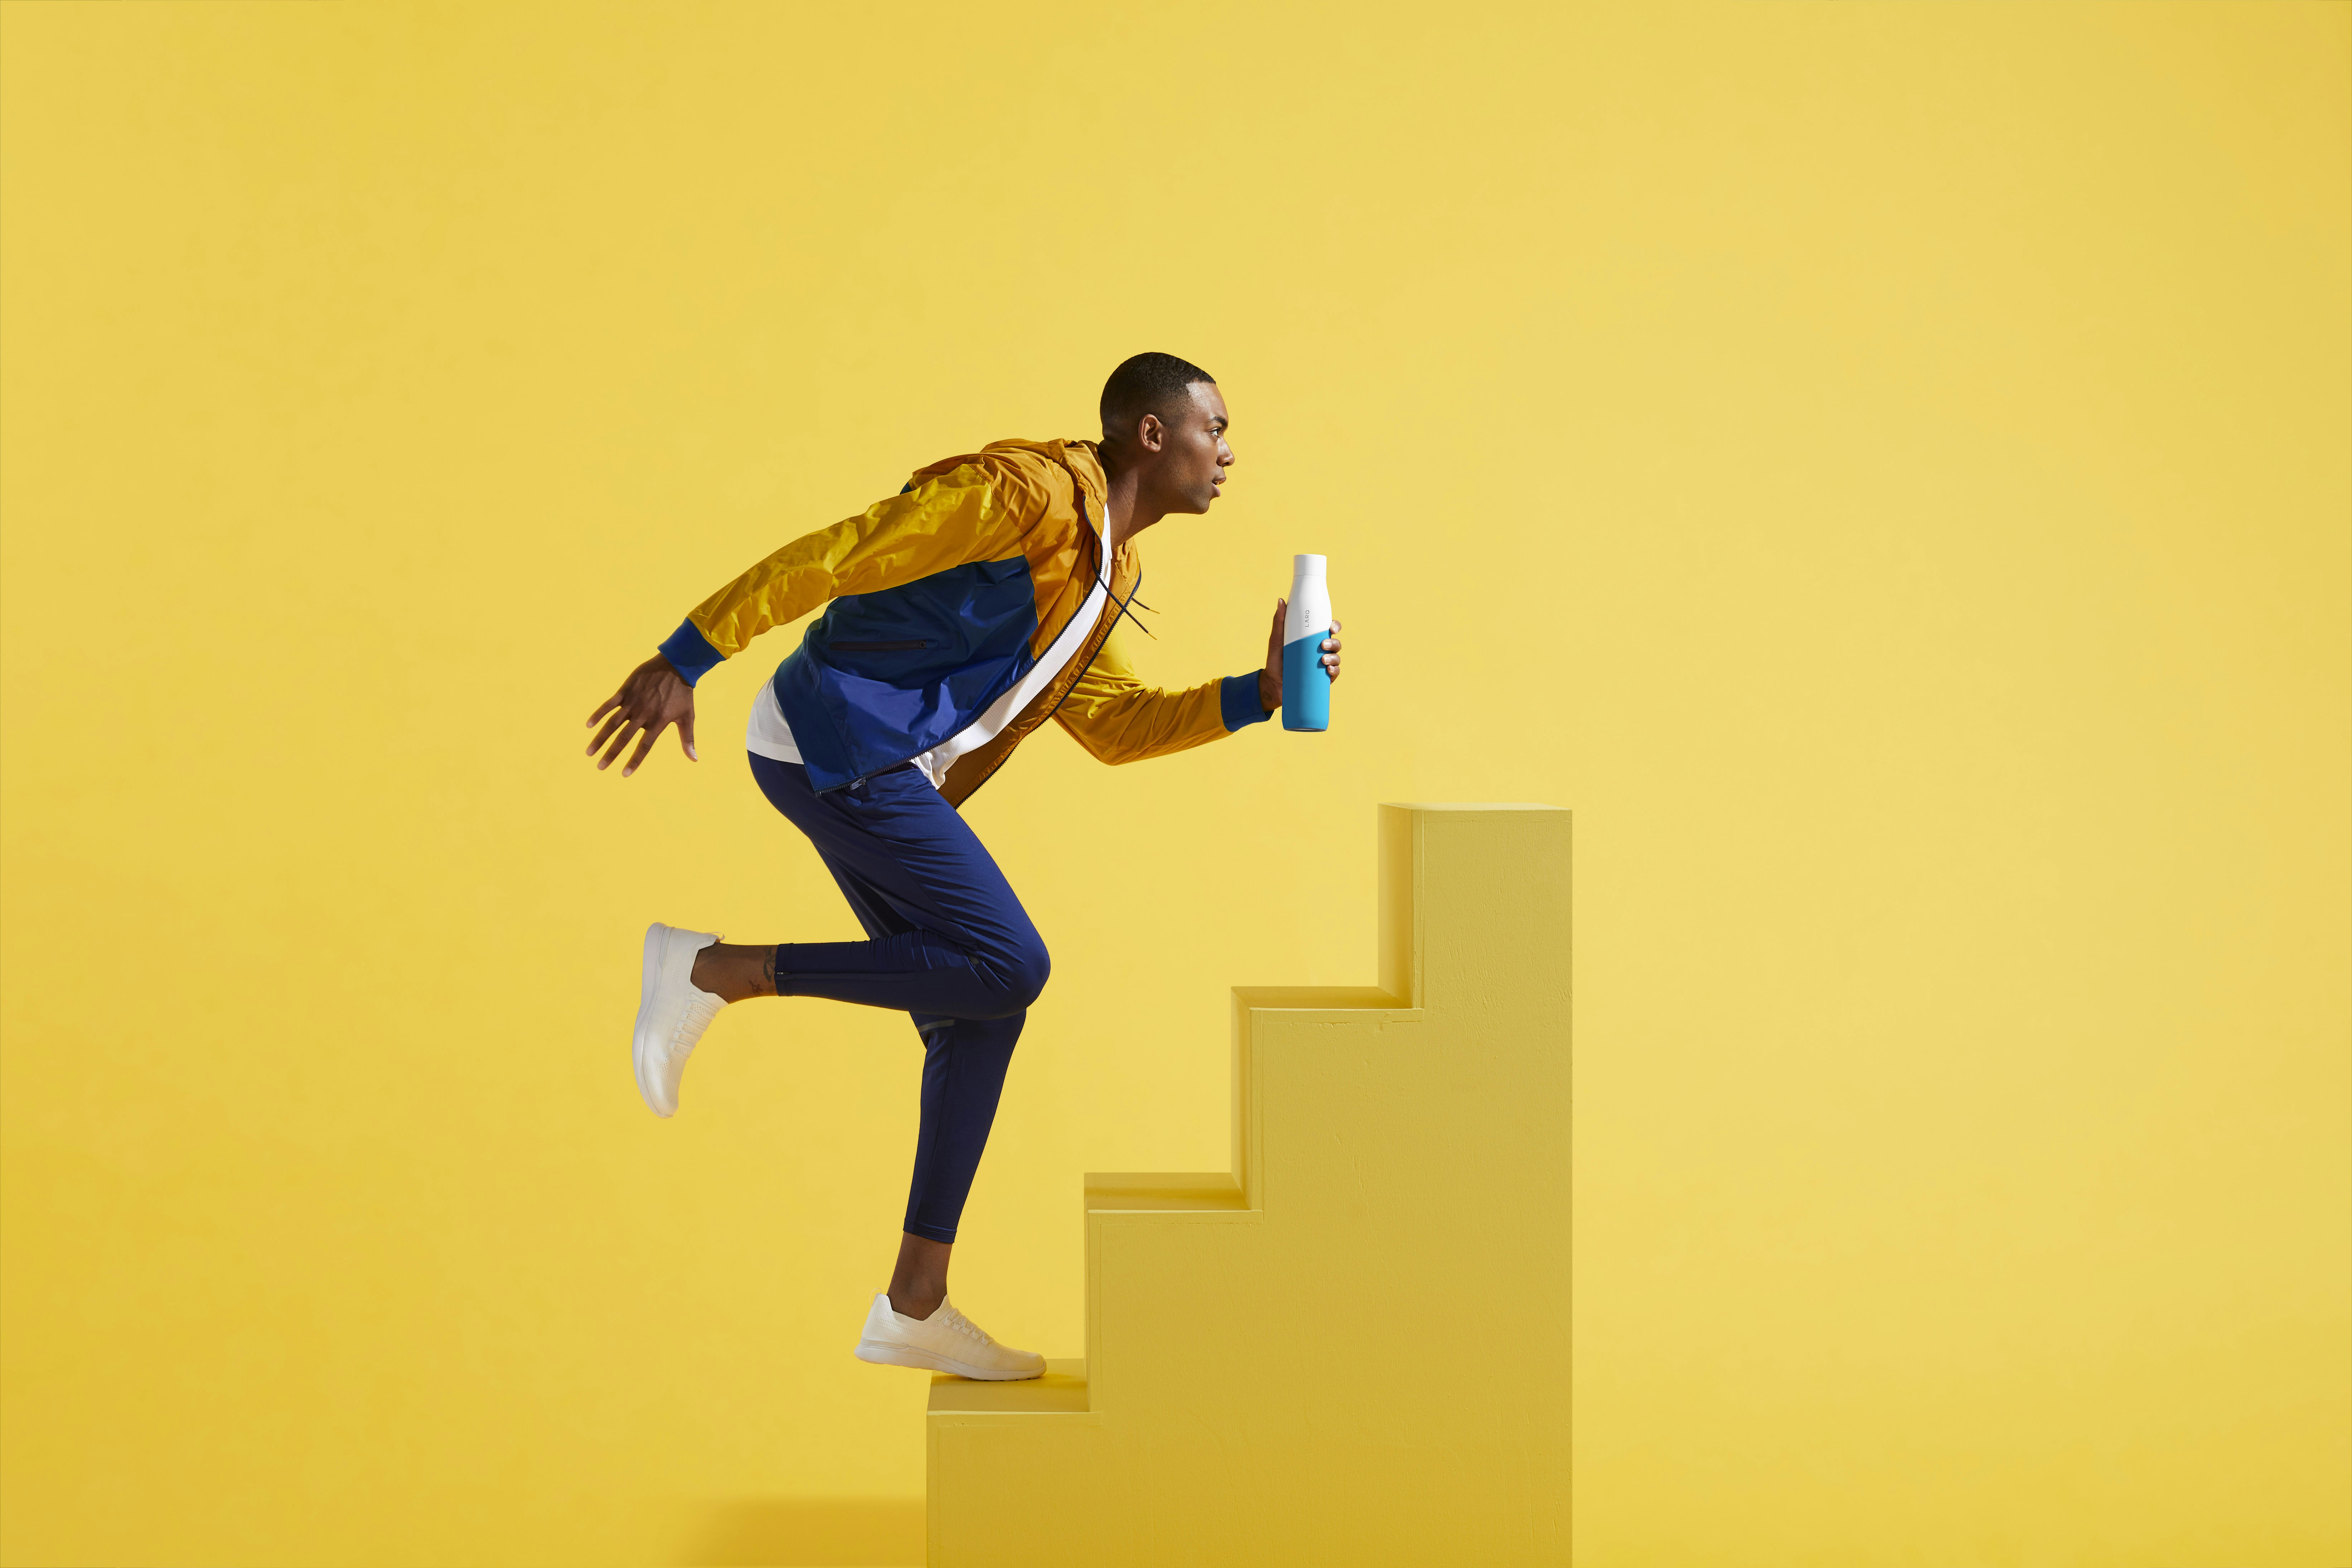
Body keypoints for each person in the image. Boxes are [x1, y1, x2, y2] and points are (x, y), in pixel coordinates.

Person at [585, 353, 1343, 1381]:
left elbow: (1115, 727)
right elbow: (842, 553)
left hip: (881, 768)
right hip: (835, 744)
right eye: (1214, 426)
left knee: (983, 1009)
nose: (1229, 450)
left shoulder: (1107, 568)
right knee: (1010, 961)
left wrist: (1255, 692)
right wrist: (685, 655)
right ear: (1153, 436)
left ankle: (913, 1304)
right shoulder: (1022, 496)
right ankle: (715, 969)